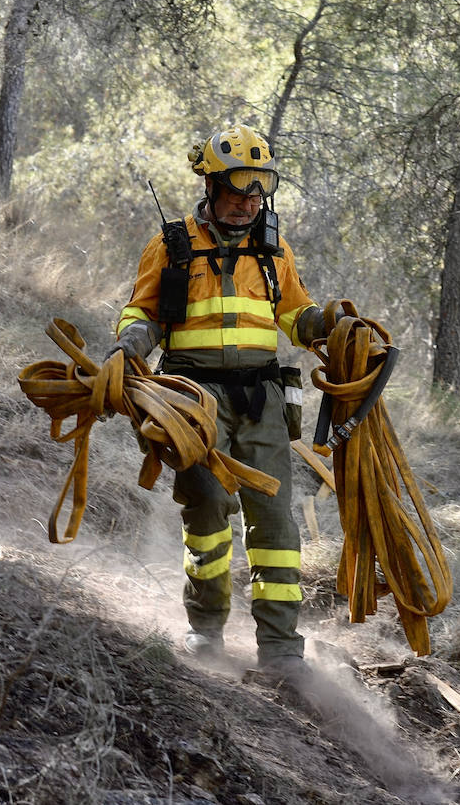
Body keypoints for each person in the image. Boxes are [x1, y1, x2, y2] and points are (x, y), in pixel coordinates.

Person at [108, 124, 329, 675]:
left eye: (257, 192)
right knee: (207, 509)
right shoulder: (172, 246)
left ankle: (281, 651)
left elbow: (296, 318)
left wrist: (332, 322)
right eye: (235, 191)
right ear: (210, 186)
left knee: (276, 523)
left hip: (264, 402)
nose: (246, 203)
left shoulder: (275, 248)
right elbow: (143, 313)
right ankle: (205, 632)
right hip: (192, 403)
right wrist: (130, 345)